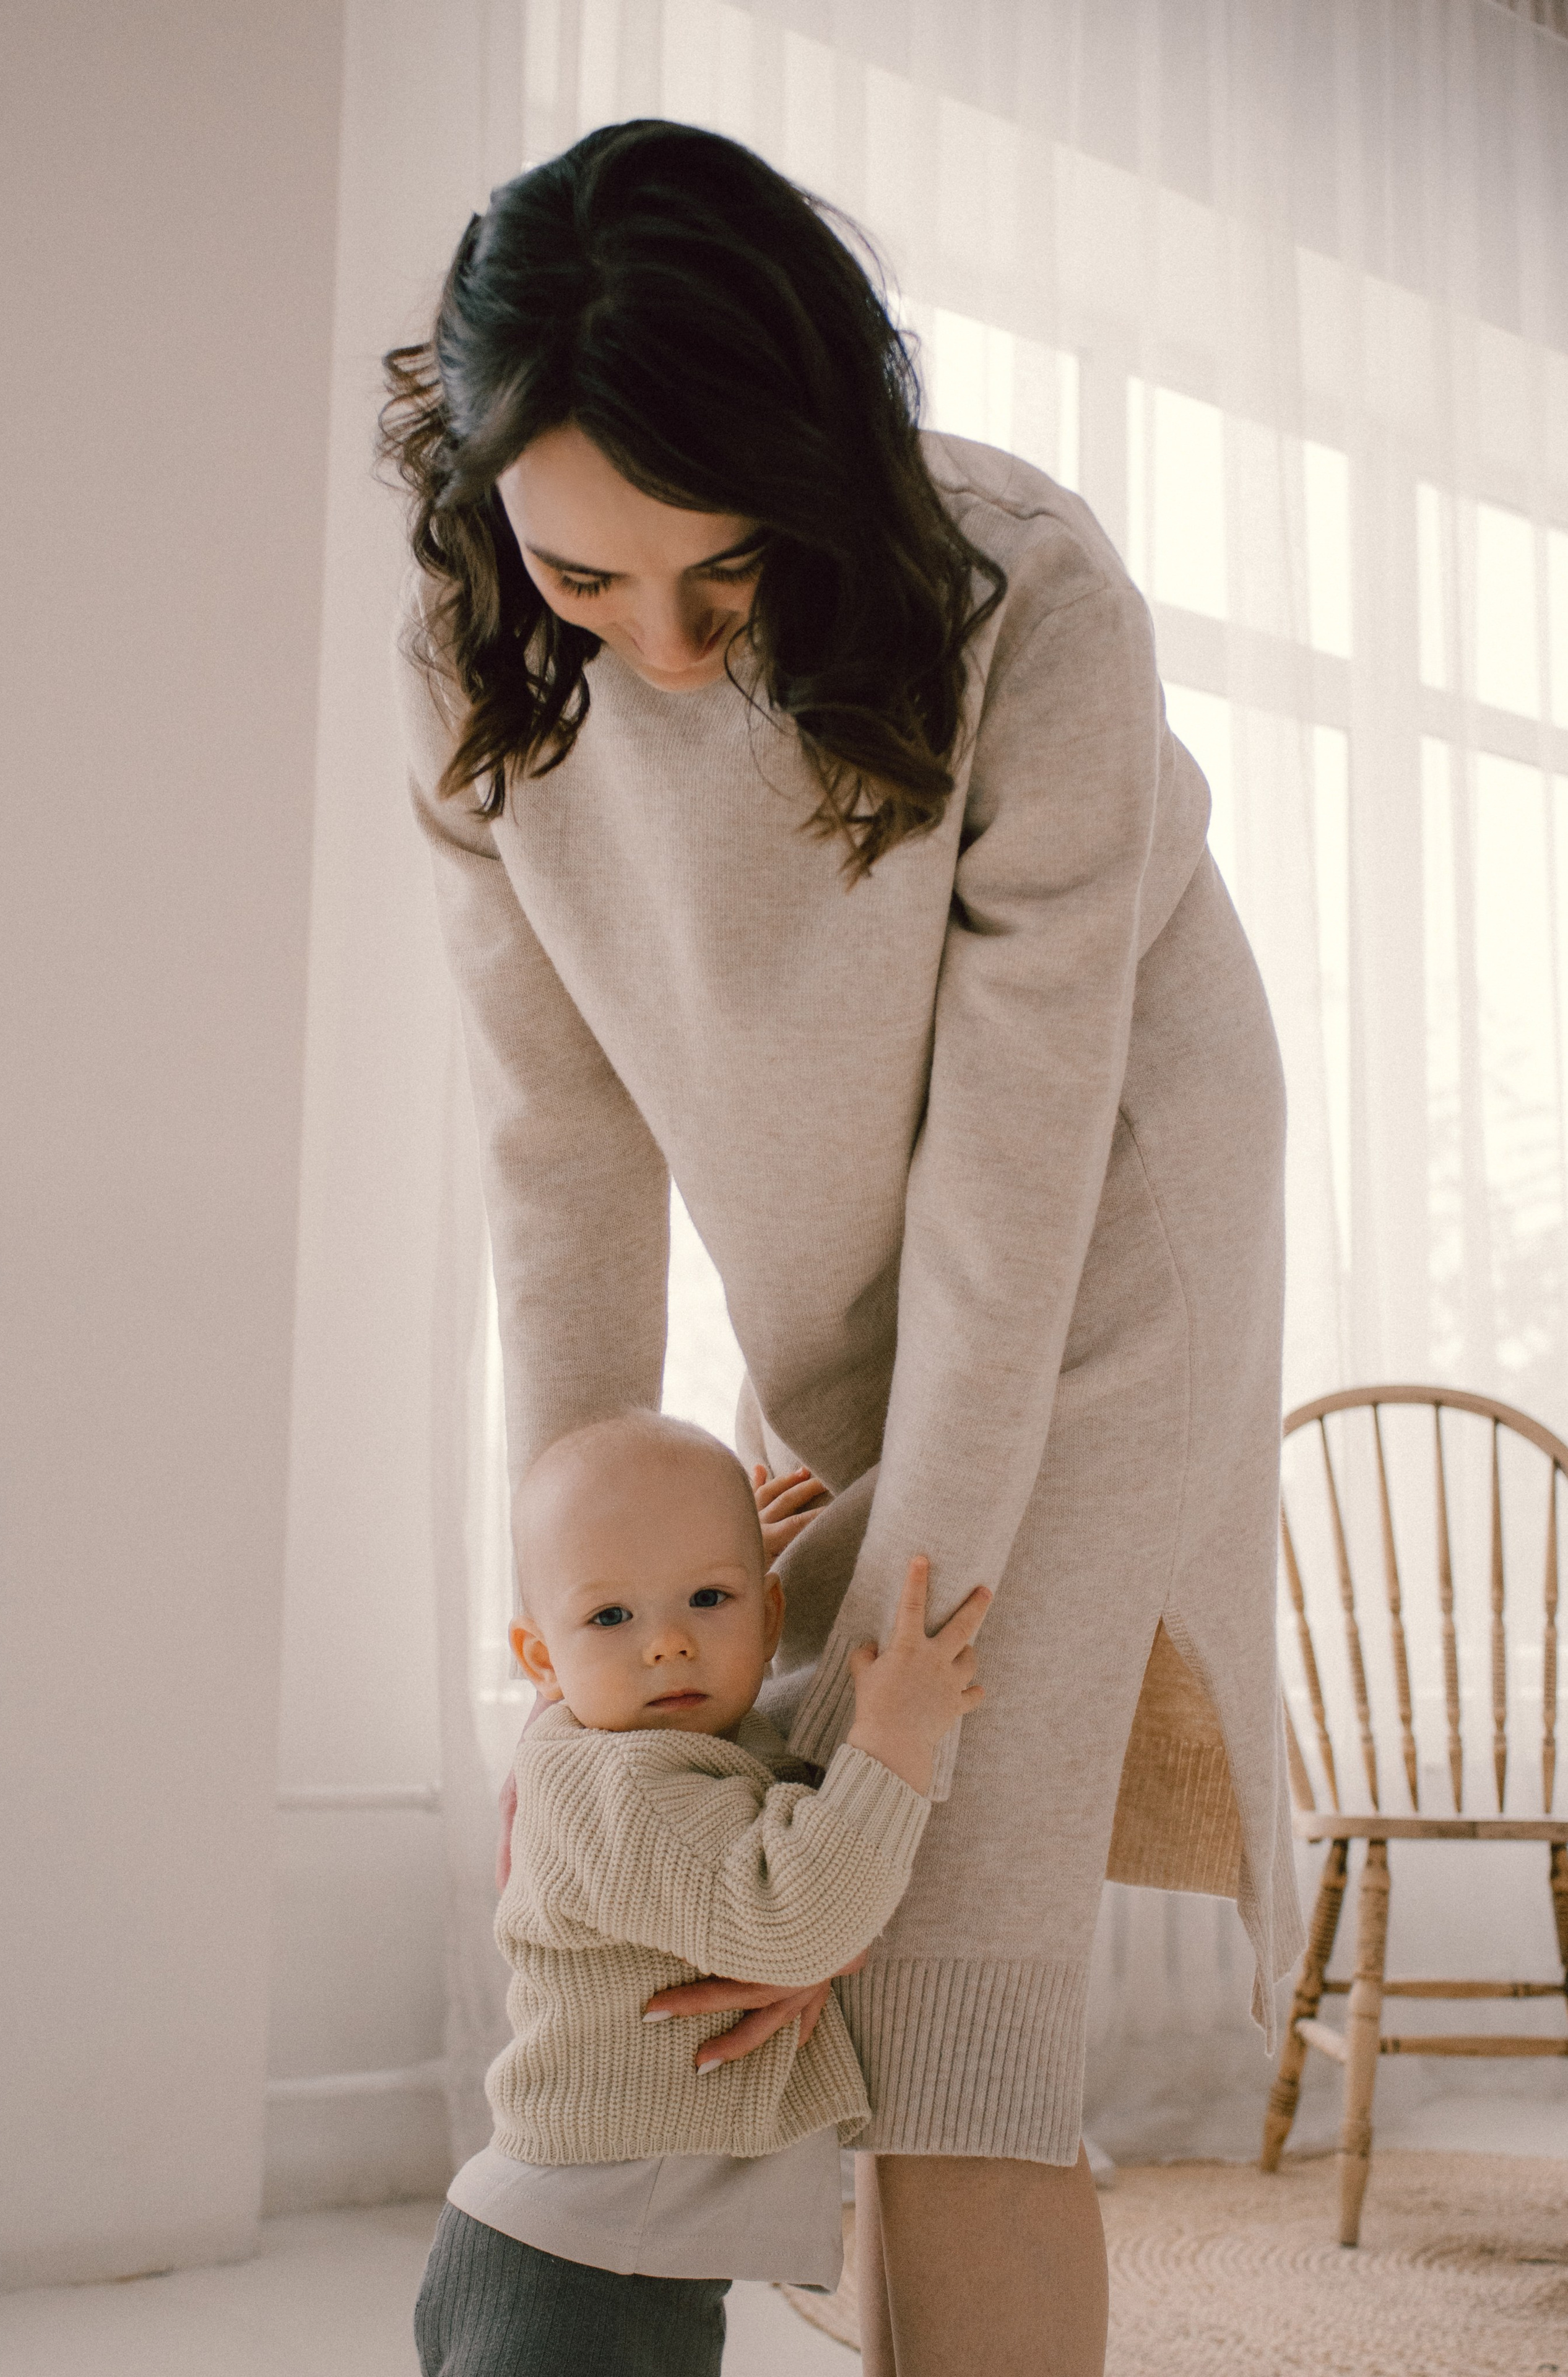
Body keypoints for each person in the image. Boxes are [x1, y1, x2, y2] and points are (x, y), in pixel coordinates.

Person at [383, 118, 1304, 2377]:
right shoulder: (486, 654)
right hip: (858, 1275)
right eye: (595, 582)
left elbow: (1014, 1193)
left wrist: (897, 1688)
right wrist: (579, 1664)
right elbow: (556, 1153)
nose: (671, 656)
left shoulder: (1029, 604)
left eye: (734, 576)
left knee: (943, 1939)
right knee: (788, 1857)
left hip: (1105, 1244)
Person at [414, 1409, 989, 2377]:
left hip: (611, 2254)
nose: (668, 1644)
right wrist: (896, 1734)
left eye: (708, 1600)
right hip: (580, 2277)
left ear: (770, 1616)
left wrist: (688, 1578)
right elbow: (789, 1917)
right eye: (611, 1618)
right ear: (541, 1663)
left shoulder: (651, 1745)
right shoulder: (623, 1787)